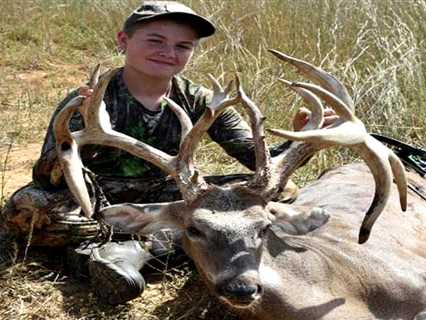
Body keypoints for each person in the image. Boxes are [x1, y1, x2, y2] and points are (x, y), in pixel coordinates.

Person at [0, 0, 338, 305]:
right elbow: (47, 175)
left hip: (173, 196)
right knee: (29, 207)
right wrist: (80, 129)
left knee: (278, 193)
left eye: (182, 46)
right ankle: (140, 249)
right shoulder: (90, 99)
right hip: (95, 198)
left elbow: (254, 159)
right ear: (123, 41)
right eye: (155, 40)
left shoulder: (203, 100)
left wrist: (302, 136)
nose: (168, 51)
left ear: (191, 53)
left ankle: (133, 250)